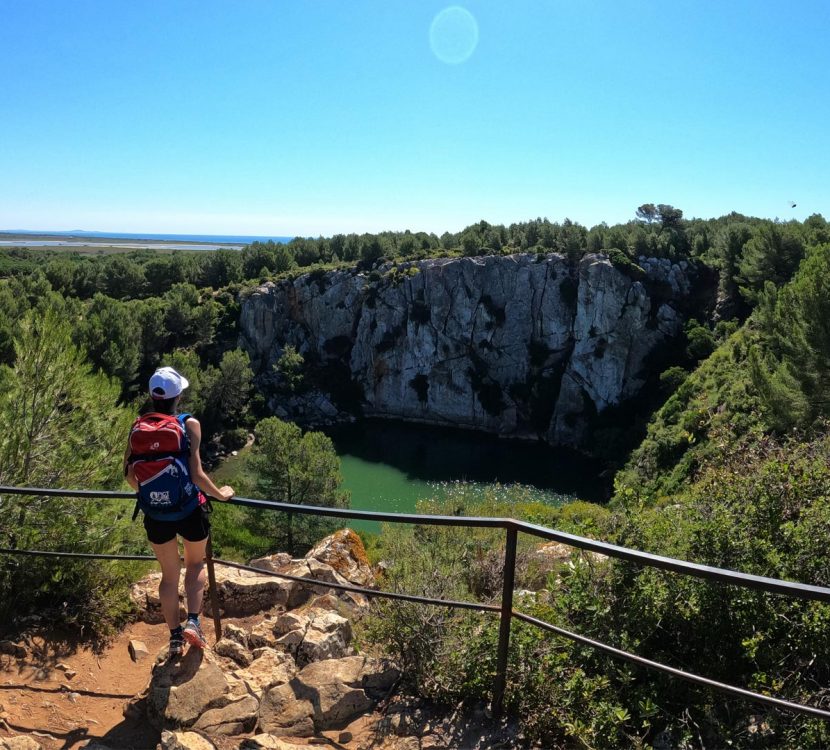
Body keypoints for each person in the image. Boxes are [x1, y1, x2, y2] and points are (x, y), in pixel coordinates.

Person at [124, 366, 234, 657]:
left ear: (152, 396)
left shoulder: (138, 427)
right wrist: (220, 493)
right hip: (188, 509)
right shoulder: (189, 424)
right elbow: (196, 474)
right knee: (196, 565)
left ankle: (174, 638)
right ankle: (194, 623)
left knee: (169, 576)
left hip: (155, 514)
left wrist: (148, 492)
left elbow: (128, 474)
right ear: (178, 397)